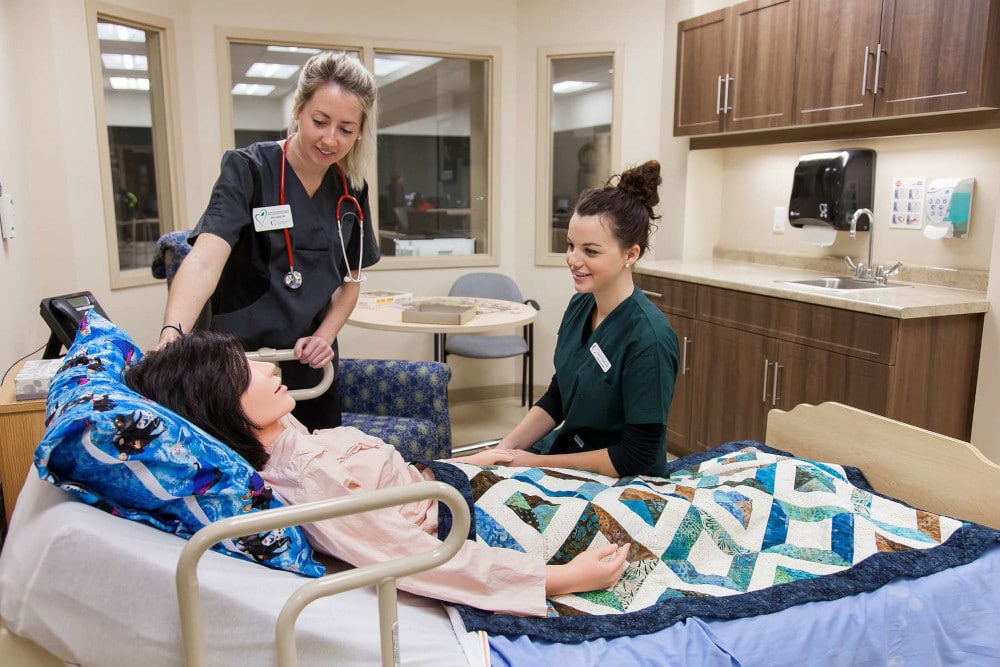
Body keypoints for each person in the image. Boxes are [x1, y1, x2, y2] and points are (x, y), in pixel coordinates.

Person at [123, 329, 630, 616]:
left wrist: (466, 463)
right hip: (459, 515)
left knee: (599, 488)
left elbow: (386, 475)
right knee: (625, 512)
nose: (269, 369)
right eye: (245, 375)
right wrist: (560, 578)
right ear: (221, 410)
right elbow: (415, 557)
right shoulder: (309, 483)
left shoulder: (281, 428)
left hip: (446, 480)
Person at [157, 51, 380, 431]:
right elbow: (205, 258)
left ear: (360, 131)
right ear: (298, 108)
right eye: (320, 121)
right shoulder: (248, 169)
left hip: (309, 363)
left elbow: (350, 282)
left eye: (345, 128)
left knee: (316, 472)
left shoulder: (352, 190)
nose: (330, 139)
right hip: (236, 362)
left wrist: (325, 336)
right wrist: (170, 337)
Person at [497, 161, 679, 478]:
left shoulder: (649, 340)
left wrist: (533, 462)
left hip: (623, 478)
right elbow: (559, 396)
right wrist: (504, 450)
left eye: (590, 251)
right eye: (571, 245)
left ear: (630, 255)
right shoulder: (581, 305)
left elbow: (637, 456)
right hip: (570, 452)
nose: (573, 260)